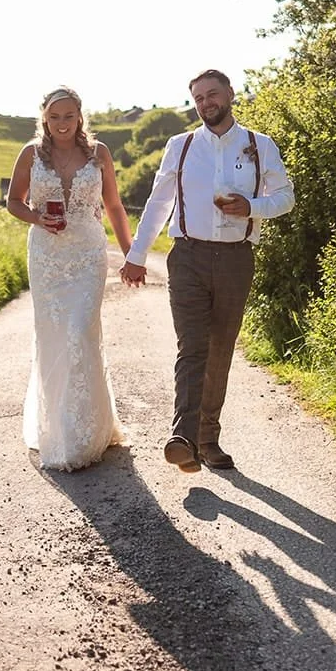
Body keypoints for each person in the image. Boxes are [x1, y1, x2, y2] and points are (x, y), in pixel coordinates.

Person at [120, 70, 294, 472]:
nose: (205, 103)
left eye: (212, 94)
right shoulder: (179, 146)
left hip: (236, 259)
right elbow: (158, 203)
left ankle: (207, 439)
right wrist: (136, 254)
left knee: (220, 350)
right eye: (198, 98)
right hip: (188, 258)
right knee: (192, 346)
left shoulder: (259, 145)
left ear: (230, 94)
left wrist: (251, 206)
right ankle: (183, 436)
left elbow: (285, 198)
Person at [6, 86, 131, 471]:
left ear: (80, 117)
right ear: (44, 116)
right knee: (53, 335)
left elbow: (113, 205)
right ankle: (57, 430)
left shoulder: (99, 153)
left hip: (89, 254)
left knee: (81, 332)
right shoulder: (30, 154)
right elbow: (13, 201)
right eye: (55, 116)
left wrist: (133, 254)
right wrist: (37, 218)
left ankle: (86, 433)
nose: (62, 123)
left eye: (69, 116)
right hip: (46, 255)